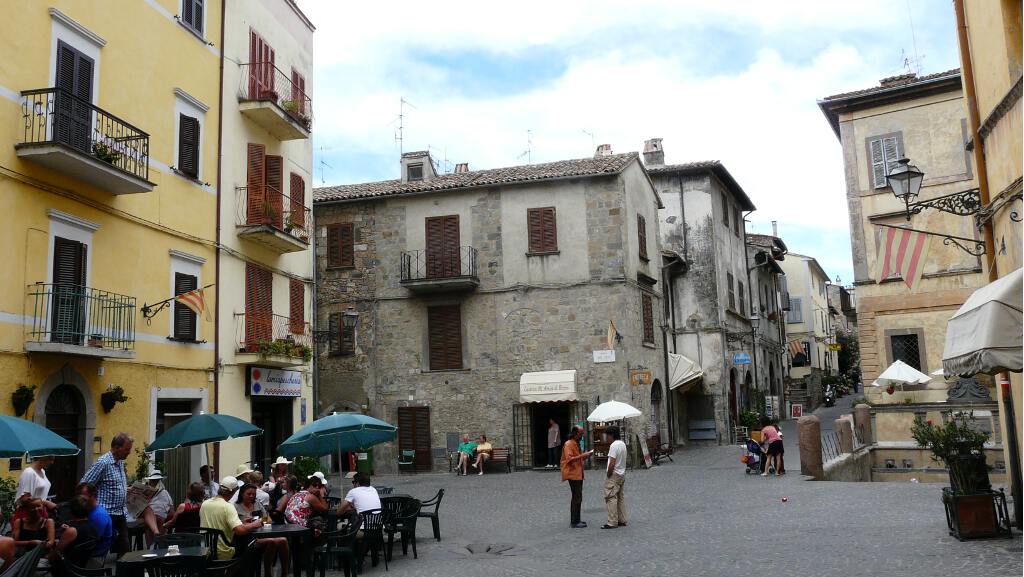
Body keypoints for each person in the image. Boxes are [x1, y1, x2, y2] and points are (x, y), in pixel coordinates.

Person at [80, 432, 132, 557]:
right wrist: (89, 506)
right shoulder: (103, 463)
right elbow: (84, 485)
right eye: (126, 449)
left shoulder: (120, 462)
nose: (128, 452)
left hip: (120, 512)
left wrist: (125, 489)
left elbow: (114, 483)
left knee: (124, 549)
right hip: (105, 512)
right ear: (117, 447)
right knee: (99, 548)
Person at [198, 477, 264, 569]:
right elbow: (239, 531)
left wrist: (241, 522)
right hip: (224, 551)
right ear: (233, 492)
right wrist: (255, 524)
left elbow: (218, 522)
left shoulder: (205, 504)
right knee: (251, 549)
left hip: (206, 550)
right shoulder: (228, 507)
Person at [235, 484, 290, 577]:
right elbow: (236, 526)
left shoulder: (256, 503)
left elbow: (269, 519)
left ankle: (285, 573)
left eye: (253, 494)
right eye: (249, 494)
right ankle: (268, 573)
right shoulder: (235, 507)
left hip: (262, 534)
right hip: (247, 538)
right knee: (272, 542)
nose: (252, 496)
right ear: (242, 494)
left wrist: (259, 521)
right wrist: (249, 523)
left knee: (283, 540)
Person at [51, 495, 99, 569]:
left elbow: (54, 556)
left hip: (68, 568)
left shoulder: (71, 531)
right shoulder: (94, 526)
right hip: (84, 566)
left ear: (71, 511)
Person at [560, 425, 593, 528]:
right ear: (575, 434)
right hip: (572, 474)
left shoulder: (575, 443)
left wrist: (586, 456)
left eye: (582, 434)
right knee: (576, 497)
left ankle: (577, 519)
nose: (581, 436)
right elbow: (570, 459)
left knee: (578, 497)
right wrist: (583, 455)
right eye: (580, 434)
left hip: (578, 474)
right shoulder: (569, 444)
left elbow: (578, 459)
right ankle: (574, 522)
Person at [135, 470, 174, 547]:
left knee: (149, 523)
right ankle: (158, 544)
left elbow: (171, 509)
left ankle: (152, 547)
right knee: (152, 521)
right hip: (159, 518)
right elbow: (171, 508)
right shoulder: (165, 493)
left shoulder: (164, 493)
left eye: (154, 481)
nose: (153, 482)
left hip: (156, 518)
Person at [75, 483, 113, 561]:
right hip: (88, 550)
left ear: (92, 496)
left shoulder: (98, 515)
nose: (79, 499)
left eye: (82, 496)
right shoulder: (89, 510)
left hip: (93, 555)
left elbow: (91, 540)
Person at [601, 426, 628, 529]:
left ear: (611, 435)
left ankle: (612, 521)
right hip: (621, 473)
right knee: (620, 497)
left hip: (614, 474)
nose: (606, 438)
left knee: (611, 497)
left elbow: (612, 462)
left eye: (607, 436)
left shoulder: (613, 446)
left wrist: (608, 473)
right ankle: (622, 519)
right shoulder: (622, 444)